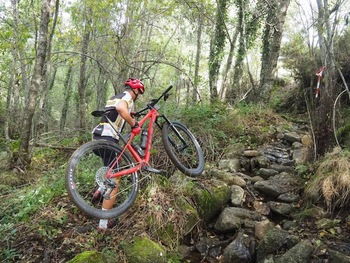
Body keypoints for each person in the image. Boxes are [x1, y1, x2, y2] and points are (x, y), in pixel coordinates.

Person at [92, 78, 144, 230]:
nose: (138, 96)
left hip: (97, 136)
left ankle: (100, 190)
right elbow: (121, 109)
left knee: (110, 169)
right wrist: (133, 124)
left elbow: (116, 111)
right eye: (139, 93)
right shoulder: (127, 97)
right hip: (109, 138)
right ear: (134, 90)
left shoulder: (114, 97)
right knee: (116, 179)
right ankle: (103, 224)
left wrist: (131, 114)